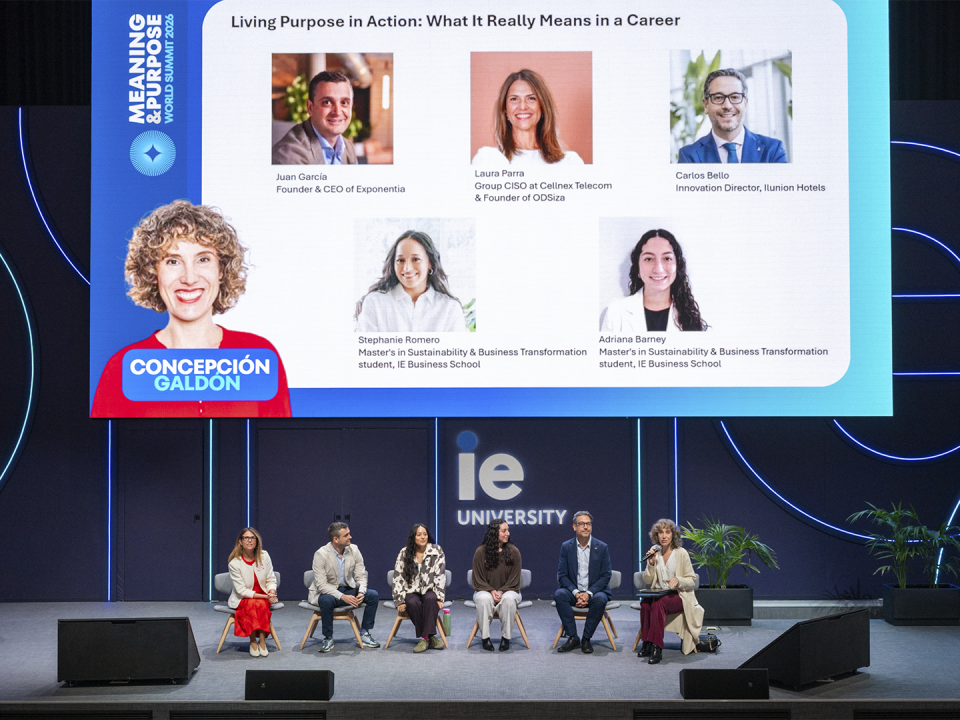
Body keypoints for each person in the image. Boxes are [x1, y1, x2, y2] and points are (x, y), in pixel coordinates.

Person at [91, 200, 291, 417]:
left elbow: (277, 445)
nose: (189, 278)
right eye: (173, 262)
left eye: (203, 259)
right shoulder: (122, 370)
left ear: (221, 270)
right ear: (153, 273)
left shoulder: (257, 357)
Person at [355, 230, 467, 332]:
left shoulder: (450, 308)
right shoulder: (375, 303)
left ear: (430, 263)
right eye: (400, 260)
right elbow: (364, 351)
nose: (407, 268)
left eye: (416, 259)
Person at [472, 69, 584, 167]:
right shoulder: (487, 160)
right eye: (514, 99)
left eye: (531, 98)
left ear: (542, 106)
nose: (522, 106)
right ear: (504, 109)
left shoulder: (570, 163)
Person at [600, 229, 708, 332]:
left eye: (667, 258)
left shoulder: (692, 315)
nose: (658, 269)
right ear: (637, 266)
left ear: (678, 266)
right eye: (649, 259)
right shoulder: (615, 313)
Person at [678, 68, 787, 163]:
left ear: (745, 103)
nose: (727, 106)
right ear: (706, 105)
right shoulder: (689, 156)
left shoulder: (772, 150)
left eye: (735, 97)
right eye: (718, 97)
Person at [637, 518, 704, 664]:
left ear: (673, 535)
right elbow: (647, 581)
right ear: (656, 535)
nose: (664, 536)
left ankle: (657, 648)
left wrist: (678, 580)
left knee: (658, 604)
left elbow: (691, 580)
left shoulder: (681, 553)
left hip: (679, 595)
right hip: (659, 594)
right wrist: (651, 564)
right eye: (660, 532)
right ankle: (647, 643)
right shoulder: (655, 553)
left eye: (667, 532)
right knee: (645, 604)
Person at [308, 522, 380, 652]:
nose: (350, 537)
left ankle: (364, 633)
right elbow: (322, 585)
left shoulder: (354, 550)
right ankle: (328, 638)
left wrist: (361, 592)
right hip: (329, 592)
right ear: (336, 539)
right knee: (326, 600)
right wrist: (342, 597)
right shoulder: (321, 554)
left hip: (348, 588)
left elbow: (361, 575)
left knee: (373, 595)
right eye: (346, 535)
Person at [272, 70, 359, 165]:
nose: (337, 112)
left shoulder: (348, 148)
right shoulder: (289, 156)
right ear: (310, 107)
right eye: (327, 102)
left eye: (344, 102)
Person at [555, 510, 611, 654]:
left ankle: (586, 638)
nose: (585, 527)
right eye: (582, 524)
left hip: (595, 592)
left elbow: (606, 575)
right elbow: (562, 575)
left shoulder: (602, 547)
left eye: (588, 524)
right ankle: (573, 637)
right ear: (574, 527)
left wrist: (588, 593)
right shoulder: (566, 547)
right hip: (573, 591)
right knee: (560, 594)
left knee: (600, 599)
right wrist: (576, 593)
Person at [392, 523, 446, 653]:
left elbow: (440, 576)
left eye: (425, 534)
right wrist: (399, 600)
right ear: (413, 537)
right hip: (411, 590)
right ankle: (430, 636)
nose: (423, 537)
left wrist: (440, 597)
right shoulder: (404, 553)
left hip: (430, 589)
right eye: (419, 535)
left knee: (431, 600)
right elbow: (398, 577)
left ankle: (424, 638)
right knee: (412, 602)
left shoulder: (436, 551)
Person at [471, 519, 522, 652]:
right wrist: (491, 590)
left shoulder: (514, 552)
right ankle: (485, 638)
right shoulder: (480, 552)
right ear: (494, 533)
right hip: (485, 590)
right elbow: (477, 578)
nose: (508, 534)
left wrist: (503, 591)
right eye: (504, 531)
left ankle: (506, 638)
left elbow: (515, 579)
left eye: (508, 530)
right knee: (483, 599)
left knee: (509, 600)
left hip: (510, 590)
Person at [227, 527, 278, 657]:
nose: (249, 540)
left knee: (260, 604)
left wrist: (271, 592)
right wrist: (266, 596)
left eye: (252, 538)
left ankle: (262, 641)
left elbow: (271, 578)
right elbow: (241, 590)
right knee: (254, 604)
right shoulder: (234, 563)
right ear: (240, 541)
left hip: (264, 596)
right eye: (246, 538)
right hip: (243, 598)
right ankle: (253, 642)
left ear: (256, 541)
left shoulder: (264, 556)